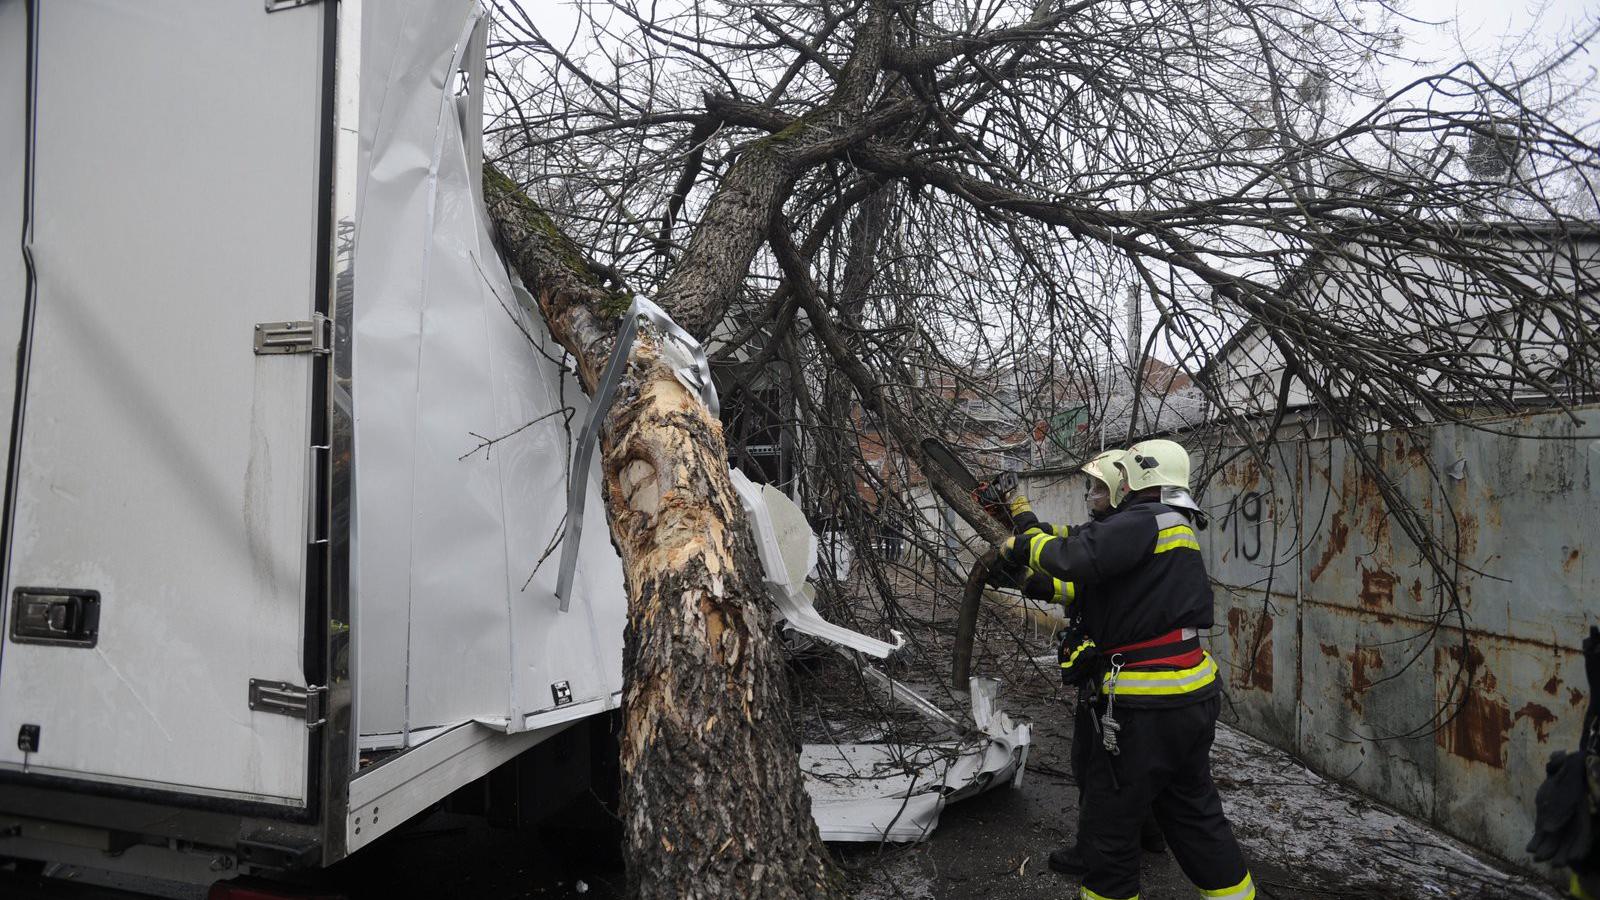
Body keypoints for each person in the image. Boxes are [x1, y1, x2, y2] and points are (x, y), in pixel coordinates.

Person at [998, 439, 1255, 900]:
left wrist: (1022, 545)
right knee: (1196, 814)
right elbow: (1103, 578)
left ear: (1133, 477)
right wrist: (1039, 561)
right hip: (1191, 696)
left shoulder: (1142, 520)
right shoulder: (1172, 525)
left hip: (1144, 706)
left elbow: (1075, 555)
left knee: (1110, 823)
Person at [1006, 450, 1169, 865]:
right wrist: (1021, 513)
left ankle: (1092, 851)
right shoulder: (1116, 533)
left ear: (1119, 491)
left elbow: (1073, 561)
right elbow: (1064, 546)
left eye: (1098, 487)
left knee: (1095, 765)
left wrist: (1023, 553)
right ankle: (1149, 833)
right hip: (1135, 673)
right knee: (1132, 764)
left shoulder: (1118, 536)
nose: (1089, 494)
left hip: (1116, 675)